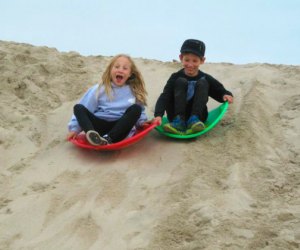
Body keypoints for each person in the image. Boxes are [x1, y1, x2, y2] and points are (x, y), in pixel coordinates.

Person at [153, 39, 234, 134]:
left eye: (195, 61)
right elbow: (165, 96)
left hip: (199, 118)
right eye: (187, 60)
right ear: (181, 58)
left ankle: (194, 120)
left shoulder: (205, 78)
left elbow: (218, 89)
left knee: (203, 83)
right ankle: (179, 122)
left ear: (202, 61)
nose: (190, 65)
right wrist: (158, 115)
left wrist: (225, 94)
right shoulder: (175, 77)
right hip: (175, 116)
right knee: (181, 81)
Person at [67, 54, 150, 145]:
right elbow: (86, 107)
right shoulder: (99, 89)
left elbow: (140, 112)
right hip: (98, 127)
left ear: (130, 73)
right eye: (117, 67)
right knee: (78, 108)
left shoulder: (133, 91)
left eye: (125, 68)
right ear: (110, 70)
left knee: (136, 109)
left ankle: (108, 138)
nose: (120, 70)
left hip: (119, 129)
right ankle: (93, 136)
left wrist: (142, 122)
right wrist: (74, 129)